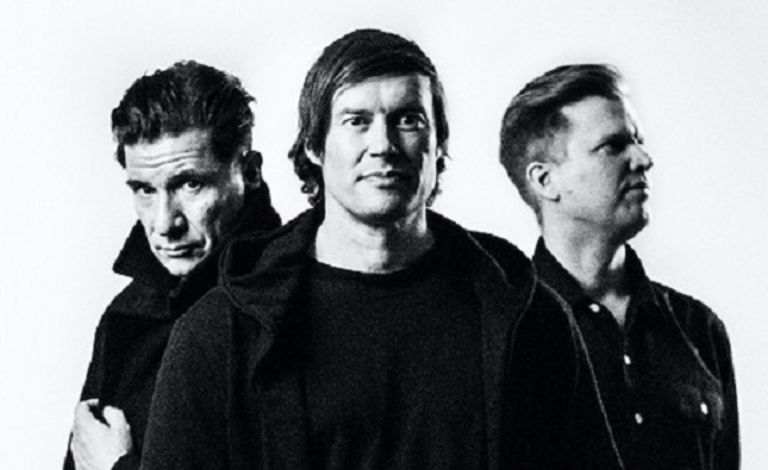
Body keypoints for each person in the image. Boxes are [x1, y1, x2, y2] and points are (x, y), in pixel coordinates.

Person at [140, 30, 621, 469]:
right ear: (314, 146)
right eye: (356, 121)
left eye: (408, 120)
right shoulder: (221, 334)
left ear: (438, 144)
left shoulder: (527, 316)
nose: (383, 144)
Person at [499, 63, 740, 469]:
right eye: (612, 146)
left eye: (638, 142)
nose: (643, 159)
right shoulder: (503, 332)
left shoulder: (699, 329)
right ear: (545, 181)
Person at [64, 60, 282, 470]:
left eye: (189, 184)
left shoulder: (294, 303)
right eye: (144, 190)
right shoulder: (128, 314)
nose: (165, 223)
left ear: (250, 172)